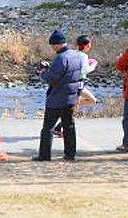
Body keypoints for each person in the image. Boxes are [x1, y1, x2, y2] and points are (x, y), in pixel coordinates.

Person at [33, 30, 86, 162]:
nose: (52, 48)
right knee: (69, 127)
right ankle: (70, 155)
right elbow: (81, 76)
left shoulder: (61, 58)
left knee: (48, 129)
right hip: (71, 96)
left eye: (52, 46)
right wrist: (78, 93)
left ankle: (44, 155)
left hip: (57, 98)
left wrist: (42, 72)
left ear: (56, 45)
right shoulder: (77, 55)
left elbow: (52, 78)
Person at [54, 35, 98, 138]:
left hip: (74, 83)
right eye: (90, 44)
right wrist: (93, 65)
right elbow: (84, 71)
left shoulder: (75, 53)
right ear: (87, 45)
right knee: (91, 100)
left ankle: (59, 127)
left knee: (76, 105)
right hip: (78, 84)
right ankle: (60, 126)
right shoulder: (83, 56)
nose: (91, 45)